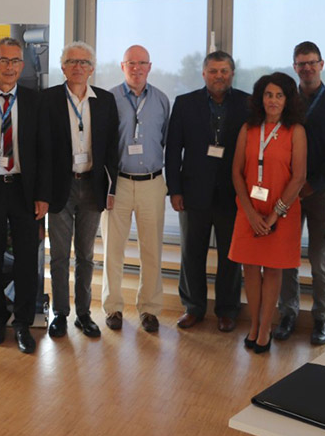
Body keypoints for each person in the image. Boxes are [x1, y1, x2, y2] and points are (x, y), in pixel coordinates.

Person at [0, 37, 50, 354]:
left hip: (25, 192)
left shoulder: (35, 101)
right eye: (4, 60)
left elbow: (45, 152)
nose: (10, 67)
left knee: (27, 262)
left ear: (23, 65)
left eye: (16, 61)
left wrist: (43, 195)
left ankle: (22, 324)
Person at [165, 51, 249, 333]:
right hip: (192, 192)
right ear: (203, 74)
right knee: (192, 252)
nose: (219, 76)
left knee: (231, 255)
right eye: (213, 71)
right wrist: (174, 189)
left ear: (232, 73)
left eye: (224, 71)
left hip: (232, 193)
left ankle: (227, 310)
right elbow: (173, 149)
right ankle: (193, 307)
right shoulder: (185, 103)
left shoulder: (247, 104)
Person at [41, 41, 120, 339]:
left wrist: (112, 187)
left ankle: (84, 314)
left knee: (86, 255)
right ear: (63, 67)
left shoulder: (105, 101)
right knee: (60, 256)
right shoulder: (47, 99)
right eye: (72, 61)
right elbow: (41, 149)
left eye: (84, 62)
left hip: (92, 186)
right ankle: (60, 313)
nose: (78, 66)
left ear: (92, 68)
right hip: (60, 188)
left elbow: (112, 148)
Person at [274, 41, 325, 346]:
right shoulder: (286, 101)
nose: (306, 68)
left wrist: (313, 183)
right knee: (287, 257)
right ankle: (288, 313)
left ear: (321, 64)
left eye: (312, 62)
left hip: (321, 192)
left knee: (320, 260)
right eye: (300, 63)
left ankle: (321, 319)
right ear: (294, 67)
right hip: (288, 191)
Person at [228, 73, 307, 354]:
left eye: (279, 95)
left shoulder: (295, 130)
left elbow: (299, 178)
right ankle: (253, 325)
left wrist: (274, 216)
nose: (273, 101)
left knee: (273, 270)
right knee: (249, 268)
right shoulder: (248, 129)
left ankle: (265, 329)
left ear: (288, 100)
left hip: (281, 214)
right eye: (268, 95)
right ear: (260, 98)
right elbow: (236, 173)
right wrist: (250, 213)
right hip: (249, 212)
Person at [101, 45, 170, 333]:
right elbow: (102, 143)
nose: (137, 68)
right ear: (122, 66)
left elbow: (165, 140)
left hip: (152, 183)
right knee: (112, 251)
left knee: (151, 250)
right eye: (131, 63)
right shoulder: (109, 99)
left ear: (150, 67)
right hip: (117, 184)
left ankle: (150, 310)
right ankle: (113, 308)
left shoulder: (162, 100)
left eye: (142, 63)